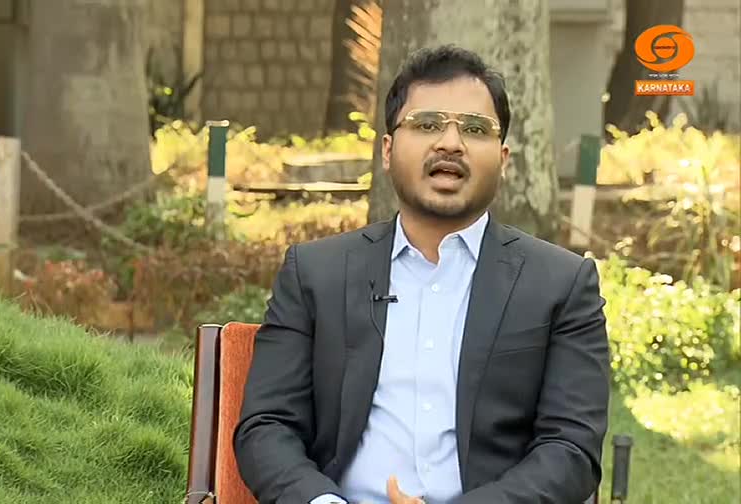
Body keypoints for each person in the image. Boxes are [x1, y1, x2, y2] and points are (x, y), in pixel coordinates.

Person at [233, 44, 610, 504]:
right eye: (427, 124)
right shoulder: (316, 274)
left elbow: (571, 449)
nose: (450, 143)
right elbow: (267, 426)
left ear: (504, 159)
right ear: (388, 150)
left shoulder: (561, 284)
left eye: (475, 129)